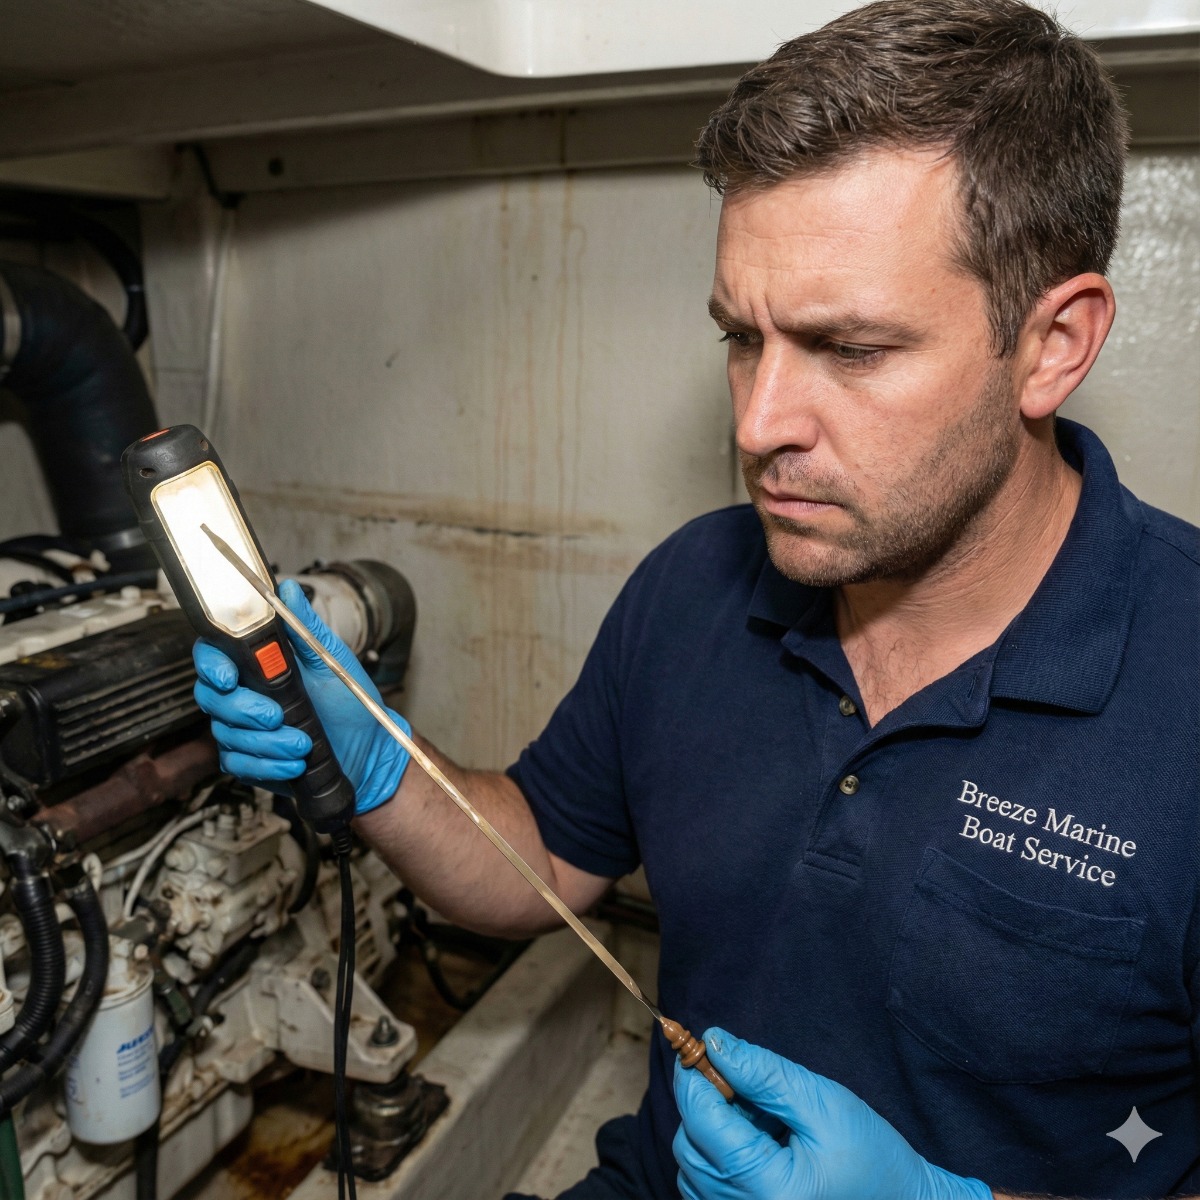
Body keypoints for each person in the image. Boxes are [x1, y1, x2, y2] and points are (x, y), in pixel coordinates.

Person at [191, 1, 1200, 1197]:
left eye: (852, 348)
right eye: (742, 338)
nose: (759, 424)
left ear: (1053, 344)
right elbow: (544, 867)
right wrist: (378, 760)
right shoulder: (700, 585)